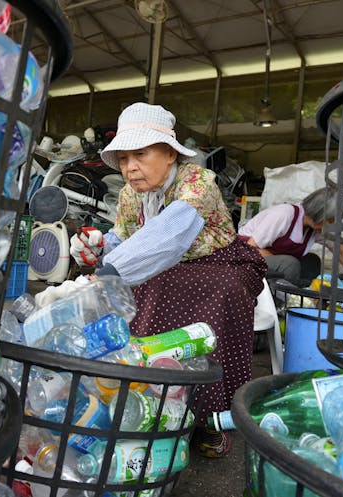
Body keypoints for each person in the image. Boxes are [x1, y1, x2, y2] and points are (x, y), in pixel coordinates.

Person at [68, 102, 267, 458]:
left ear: (170, 154)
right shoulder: (131, 194)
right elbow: (123, 237)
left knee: (197, 290)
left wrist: (110, 269)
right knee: (140, 284)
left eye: (140, 154)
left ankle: (208, 416)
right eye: (124, 159)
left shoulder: (198, 182)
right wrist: (97, 249)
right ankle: (146, 399)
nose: (130, 168)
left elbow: (171, 234)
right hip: (165, 267)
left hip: (221, 262)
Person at [238, 187, 343, 287]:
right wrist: (280, 258)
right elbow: (249, 249)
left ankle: (304, 300)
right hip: (242, 259)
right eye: (329, 220)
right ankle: (281, 302)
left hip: (268, 259)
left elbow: (342, 252)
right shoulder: (284, 215)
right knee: (290, 264)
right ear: (318, 213)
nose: (330, 225)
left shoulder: (315, 227)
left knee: (312, 261)